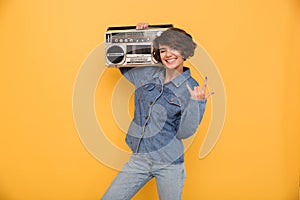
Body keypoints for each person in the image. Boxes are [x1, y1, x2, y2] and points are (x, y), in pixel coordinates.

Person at [101, 22, 214, 200]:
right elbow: (121, 62)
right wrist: (140, 39)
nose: (168, 54)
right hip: (140, 159)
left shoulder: (192, 89)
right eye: (163, 50)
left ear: (184, 52)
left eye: (174, 49)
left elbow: (185, 132)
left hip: (169, 164)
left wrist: (196, 104)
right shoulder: (147, 74)